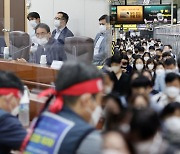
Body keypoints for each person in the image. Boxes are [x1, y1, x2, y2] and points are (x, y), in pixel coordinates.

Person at [22, 61, 103, 154]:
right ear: (86, 100)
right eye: (99, 100)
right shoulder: (88, 140)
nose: (100, 109)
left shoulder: (40, 122)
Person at [0, 71, 27, 153]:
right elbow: (34, 145)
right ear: (10, 98)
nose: (17, 107)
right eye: (18, 102)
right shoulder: (5, 120)